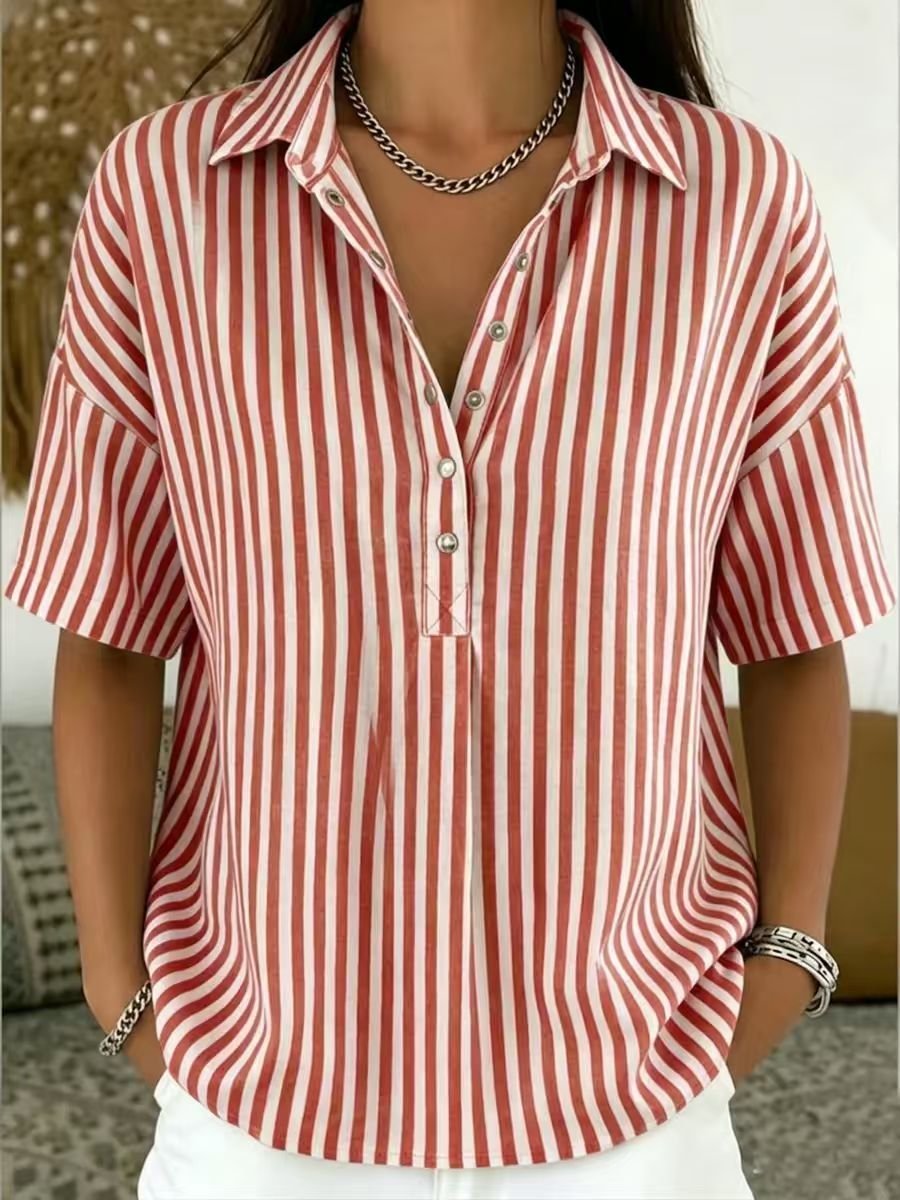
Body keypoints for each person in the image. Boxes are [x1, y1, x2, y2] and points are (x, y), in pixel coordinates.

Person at [3, 1, 896, 1197]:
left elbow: (793, 628)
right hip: (257, 1116)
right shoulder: (167, 195)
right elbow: (110, 631)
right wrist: (123, 993)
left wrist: (784, 961)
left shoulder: (736, 204)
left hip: (638, 1116)